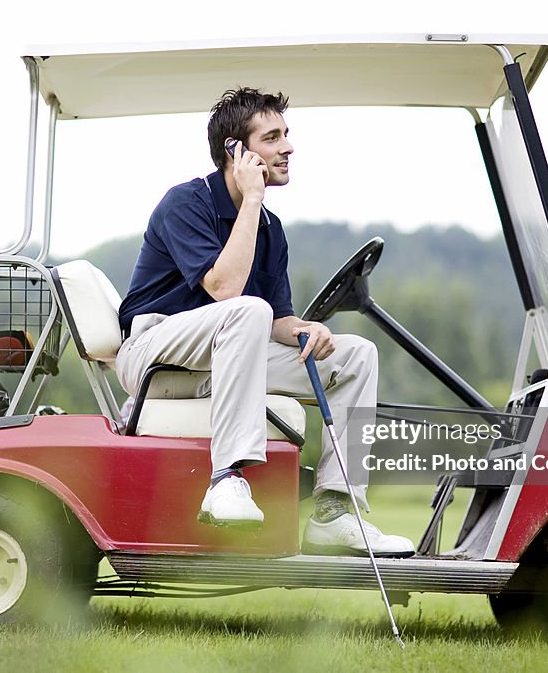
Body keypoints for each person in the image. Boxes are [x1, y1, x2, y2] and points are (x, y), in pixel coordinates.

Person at [116, 87, 414, 558]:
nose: (288, 148)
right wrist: (251, 198)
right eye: (272, 138)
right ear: (237, 152)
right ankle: (226, 479)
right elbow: (226, 290)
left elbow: (275, 319)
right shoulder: (185, 204)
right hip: (155, 358)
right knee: (245, 310)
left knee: (357, 355)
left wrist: (304, 330)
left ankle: (335, 512)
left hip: (226, 362)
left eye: (286, 135)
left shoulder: (272, 230)